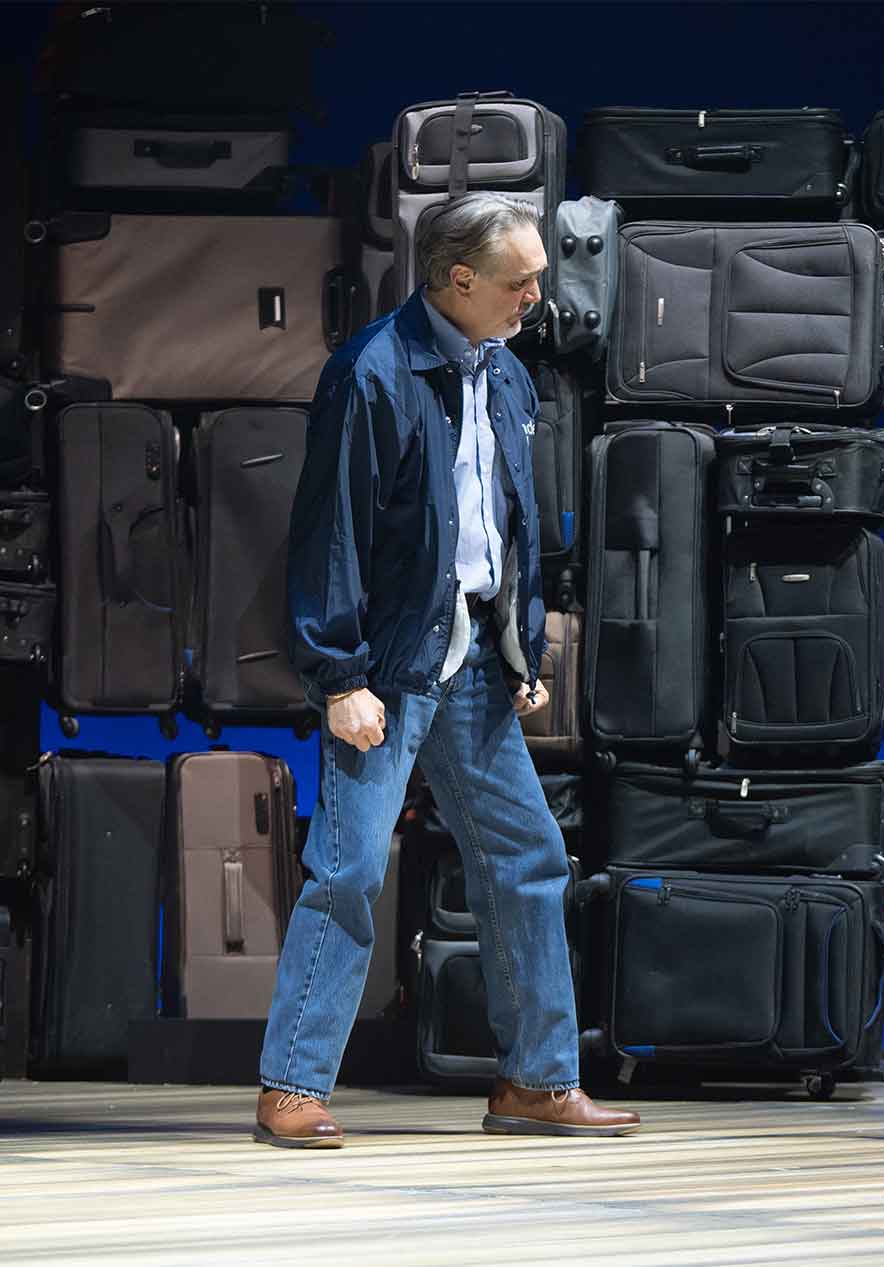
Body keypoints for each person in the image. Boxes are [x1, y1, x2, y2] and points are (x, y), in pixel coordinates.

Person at [255, 193, 639, 1147]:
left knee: (528, 858)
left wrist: (522, 642)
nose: (537, 296)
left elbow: (510, 520)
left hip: (471, 660)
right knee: (346, 868)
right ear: (458, 279)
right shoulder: (372, 375)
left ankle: (537, 1082)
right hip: (387, 668)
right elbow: (329, 540)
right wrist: (339, 677)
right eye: (521, 280)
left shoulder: (504, 373)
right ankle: (291, 1085)